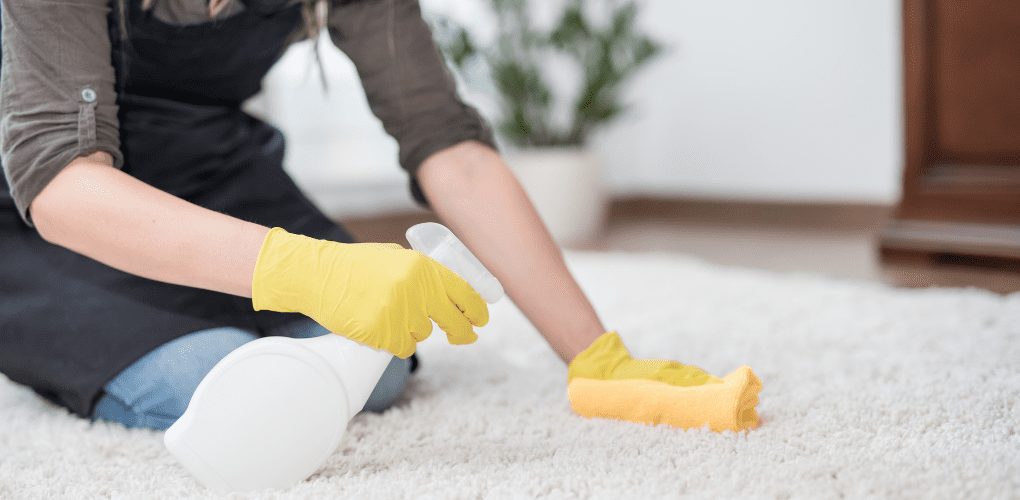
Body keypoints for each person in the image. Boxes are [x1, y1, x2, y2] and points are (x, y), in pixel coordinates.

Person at [0, 0, 723, 432]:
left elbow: (447, 143)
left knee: (373, 372)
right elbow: (63, 186)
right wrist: (304, 269)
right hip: (39, 209)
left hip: (209, 169)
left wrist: (596, 357)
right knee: (231, 387)